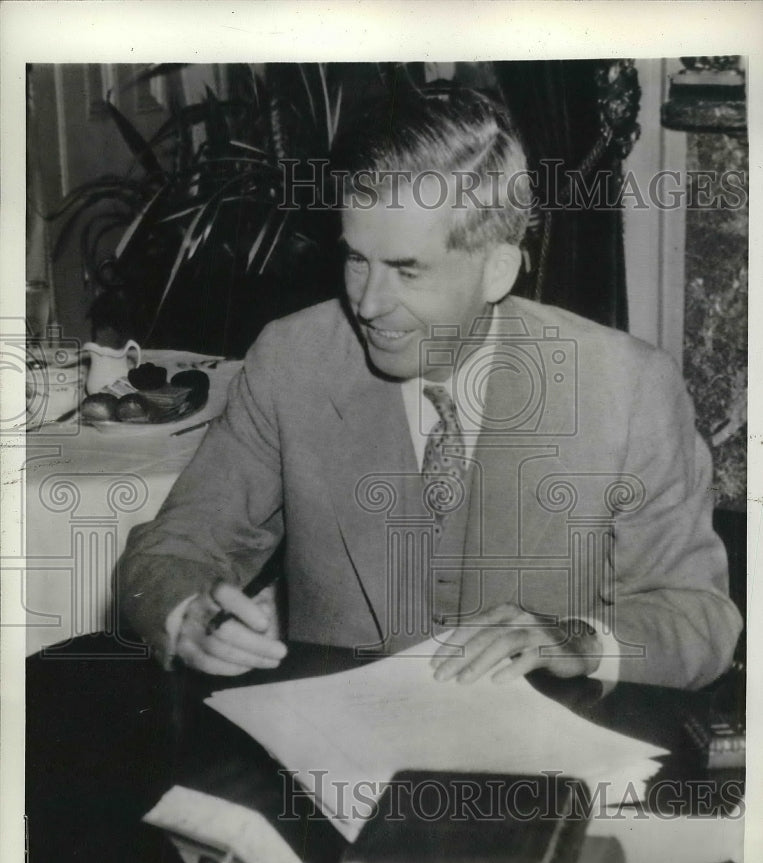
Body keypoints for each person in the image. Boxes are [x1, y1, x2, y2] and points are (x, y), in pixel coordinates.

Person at [116, 85, 741, 690]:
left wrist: (578, 640)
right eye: (356, 258)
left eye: (406, 270)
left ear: (497, 268)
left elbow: (700, 619)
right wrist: (189, 615)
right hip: (327, 771)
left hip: (536, 779)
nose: (366, 302)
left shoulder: (627, 388)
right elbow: (170, 552)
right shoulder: (293, 359)